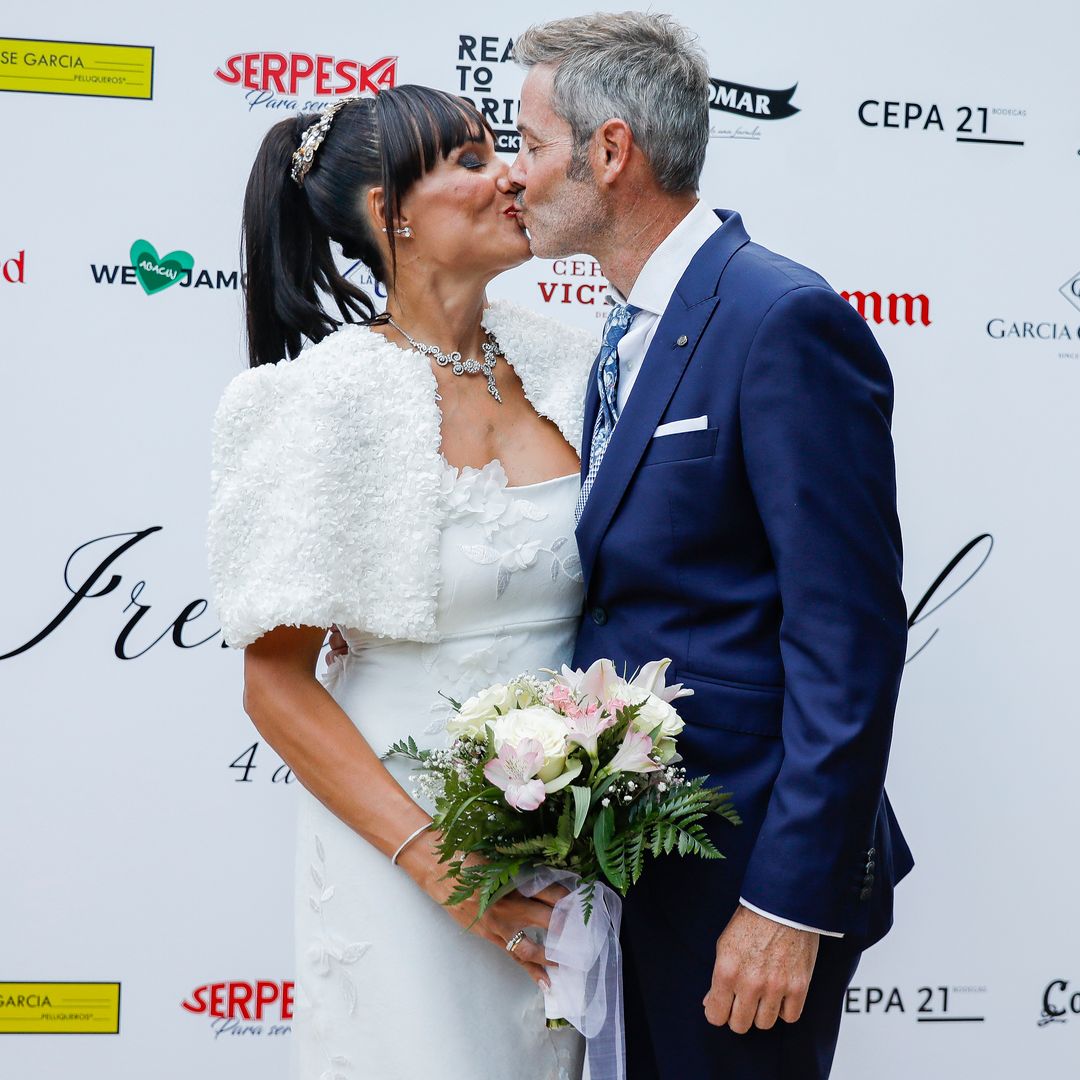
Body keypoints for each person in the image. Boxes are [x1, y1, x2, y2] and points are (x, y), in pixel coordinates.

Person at [497, 12, 914, 1080]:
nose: (513, 173)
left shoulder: (780, 319)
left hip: (750, 884)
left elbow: (848, 635)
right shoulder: (622, 329)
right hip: (645, 872)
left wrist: (789, 902)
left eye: (531, 144)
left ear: (610, 150)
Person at [207, 85, 595, 1079]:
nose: (510, 173)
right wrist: (442, 868)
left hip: (580, 838)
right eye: (468, 161)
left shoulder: (574, 364)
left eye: (499, 150)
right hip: (408, 839)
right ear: (390, 216)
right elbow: (277, 681)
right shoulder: (323, 398)